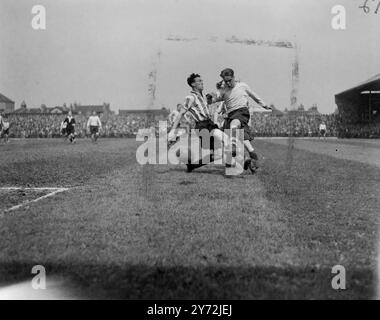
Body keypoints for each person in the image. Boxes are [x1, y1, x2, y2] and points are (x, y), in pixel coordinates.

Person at [207, 68, 271, 171]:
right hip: (230, 115)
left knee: (234, 125)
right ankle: (252, 161)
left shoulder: (242, 86)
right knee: (244, 140)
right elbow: (214, 100)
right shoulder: (224, 91)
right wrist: (209, 98)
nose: (228, 83)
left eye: (229, 80)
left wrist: (264, 105)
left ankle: (233, 152)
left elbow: (253, 95)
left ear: (233, 77)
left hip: (241, 112)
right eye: (226, 81)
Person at [168, 73, 233, 172]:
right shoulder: (190, 97)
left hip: (209, 124)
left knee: (218, 154)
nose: (202, 82)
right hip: (203, 126)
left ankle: (192, 166)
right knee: (225, 138)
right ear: (193, 84)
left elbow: (216, 96)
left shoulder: (203, 96)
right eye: (199, 81)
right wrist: (173, 131)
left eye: (201, 80)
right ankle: (233, 162)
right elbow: (181, 113)